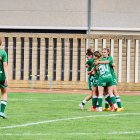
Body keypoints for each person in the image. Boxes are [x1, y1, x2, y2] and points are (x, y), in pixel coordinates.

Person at [0, 38, 8, 118]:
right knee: (4, 92)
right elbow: (5, 65)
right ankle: (1, 112)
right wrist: (7, 77)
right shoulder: (3, 52)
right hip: (1, 75)